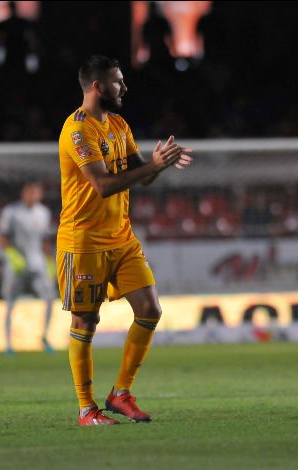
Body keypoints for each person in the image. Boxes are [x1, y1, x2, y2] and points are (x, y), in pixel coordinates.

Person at [57, 55, 193, 426]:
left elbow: (140, 176)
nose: (125, 87)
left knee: (150, 309)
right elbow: (102, 186)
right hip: (83, 242)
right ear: (98, 87)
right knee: (86, 323)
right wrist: (150, 168)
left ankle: (120, 393)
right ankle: (87, 410)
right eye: (118, 81)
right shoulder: (78, 131)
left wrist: (157, 164)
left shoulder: (118, 124)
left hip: (122, 238)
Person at [0, 181, 56, 355]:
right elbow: (3, 238)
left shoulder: (43, 213)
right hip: (16, 264)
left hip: (37, 263)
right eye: (29, 192)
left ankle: (45, 338)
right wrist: (14, 257)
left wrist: (49, 262)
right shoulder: (11, 212)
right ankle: (8, 344)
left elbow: (45, 240)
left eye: (36, 193)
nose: (33, 196)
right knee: (10, 302)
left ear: (40, 195)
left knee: (50, 298)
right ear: (23, 193)